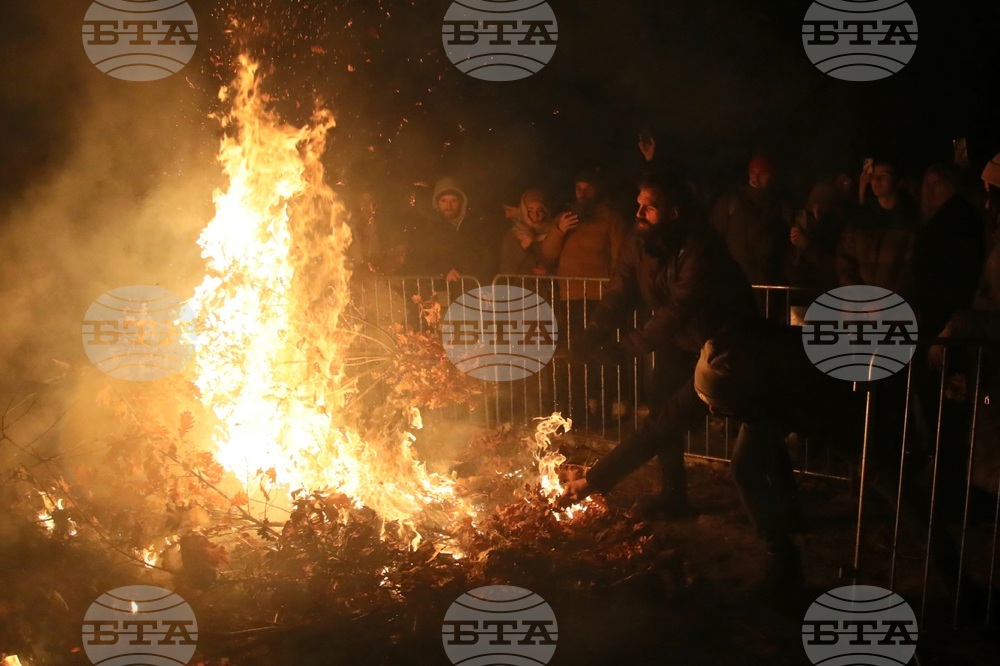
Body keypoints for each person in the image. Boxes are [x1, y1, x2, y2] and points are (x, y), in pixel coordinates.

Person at [558, 177, 759, 518]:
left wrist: (624, 349)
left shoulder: (700, 245)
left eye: (649, 207)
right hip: (680, 340)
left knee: (753, 417)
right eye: (638, 203)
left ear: (674, 213)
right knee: (662, 408)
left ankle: (777, 500)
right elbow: (618, 292)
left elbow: (678, 309)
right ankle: (673, 495)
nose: (638, 212)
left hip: (723, 341)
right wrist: (591, 334)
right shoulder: (638, 240)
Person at [540, 168, 627, 421]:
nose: (582, 192)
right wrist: (558, 228)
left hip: (600, 299)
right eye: (579, 187)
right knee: (573, 356)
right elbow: (548, 254)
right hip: (571, 299)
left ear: (598, 190)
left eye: (587, 187)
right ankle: (575, 413)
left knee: (600, 358)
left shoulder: (611, 218)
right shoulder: (567, 217)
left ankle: (603, 412)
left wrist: (615, 294)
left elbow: (620, 258)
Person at [913, 163, 985, 338]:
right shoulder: (939, 219)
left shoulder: (956, 218)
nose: (931, 190)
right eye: (927, 184)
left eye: (937, 183)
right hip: (937, 306)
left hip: (946, 308)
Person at [837, 160, 919, 296]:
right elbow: (845, 262)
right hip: (860, 309)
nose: (877, 180)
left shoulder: (908, 222)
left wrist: (885, 300)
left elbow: (910, 269)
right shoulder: (859, 221)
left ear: (898, 182)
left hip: (894, 309)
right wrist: (863, 298)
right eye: (874, 176)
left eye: (884, 175)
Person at [709, 155, 792, 287]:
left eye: (762, 173)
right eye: (753, 172)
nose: (755, 178)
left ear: (772, 176)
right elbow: (714, 239)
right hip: (735, 283)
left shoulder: (781, 207)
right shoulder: (731, 202)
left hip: (771, 285)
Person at [404, 176, 496, 282]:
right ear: (437, 203)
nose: (449, 205)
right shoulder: (429, 229)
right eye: (443, 200)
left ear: (461, 202)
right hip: (442, 291)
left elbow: (486, 260)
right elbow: (419, 260)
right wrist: (443, 271)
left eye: (454, 200)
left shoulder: (475, 227)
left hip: (472, 291)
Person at [498, 188, 555, 276]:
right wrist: (522, 247)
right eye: (530, 211)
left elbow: (564, 266)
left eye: (539, 210)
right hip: (521, 288)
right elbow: (506, 270)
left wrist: (549, 273)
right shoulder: (513, 236)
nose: (535, 215)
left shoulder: (555, 233)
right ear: (523, 211)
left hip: (546, 288)